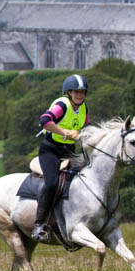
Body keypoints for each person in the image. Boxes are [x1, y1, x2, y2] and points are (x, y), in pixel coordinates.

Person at [31, 74, 90, 241]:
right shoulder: (62, 105)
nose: (80, 95)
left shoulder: (84, 108)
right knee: (52, 183)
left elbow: (86, 127)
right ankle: (39, 225)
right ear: (68, 93)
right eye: (76, 92)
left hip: (69, 152)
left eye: (82, 92)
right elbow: (44, 121)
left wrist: (82, 135)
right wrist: (65, 132)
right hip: (50, 150)